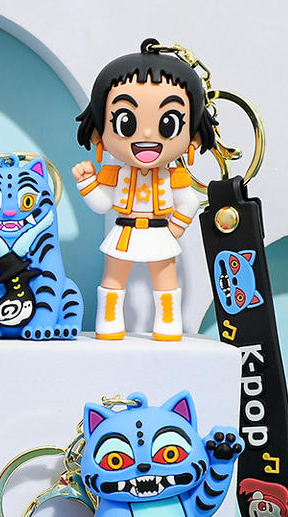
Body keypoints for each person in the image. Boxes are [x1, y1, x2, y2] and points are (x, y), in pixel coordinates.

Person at [72, 39, 217, 340]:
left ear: (192, 139)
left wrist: (175, 227)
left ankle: (168, 323)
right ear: (99, 132)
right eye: (126, 122)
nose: (148, 134)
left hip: (159, 232)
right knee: (114, 279)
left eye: (168, 123)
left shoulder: (173, 176)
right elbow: (103, 203)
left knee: (165, 280)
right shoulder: (116, 173)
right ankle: (109, 322)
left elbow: (189, 201)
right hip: (124, 232)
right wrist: (86, 183)